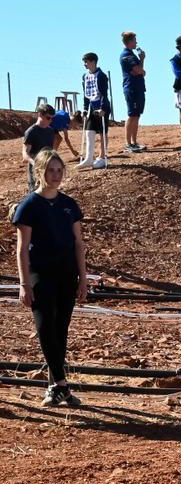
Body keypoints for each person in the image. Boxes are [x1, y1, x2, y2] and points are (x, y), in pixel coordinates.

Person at [11, 149, 89, 407]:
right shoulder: (29, 206)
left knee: (61, 329)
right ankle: (62, 384)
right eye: (50, 170)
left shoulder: (69, 205)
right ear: (40, 171)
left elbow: (79, 242)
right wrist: (24, 283)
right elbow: (22, 248)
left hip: (67, 272)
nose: (55, 175)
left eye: (59, 170)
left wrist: (83, 277)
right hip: (40, 274)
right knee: (45, 326)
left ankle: (55, 387)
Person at [76, 53, 111, 170]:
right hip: (92, 107)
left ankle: (102, 157)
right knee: (89, 131)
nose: (85, 64)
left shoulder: (101, 76)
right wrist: (85, 109)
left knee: (102, 132)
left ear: (93, 62)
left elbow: (104, 94)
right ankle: (89, 157)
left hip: (102, 108)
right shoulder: (85, 76)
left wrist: (103, 108)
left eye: (86, 62)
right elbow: (86, 94)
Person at [118, 31, 146, 153]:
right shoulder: (126, 55)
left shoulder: (132, 54)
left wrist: (141, 64)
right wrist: (142, 62)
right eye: (135, 40)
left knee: (137, 115)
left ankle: (134, 142)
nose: (136, 42)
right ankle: (128, 143)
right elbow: (139, 70)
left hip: (138, 87)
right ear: (129, 41)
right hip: (131, 88)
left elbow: (140, 70)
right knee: (132, 114)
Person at [21, 105, 58, 190]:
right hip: (36, 171)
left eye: (52, 118)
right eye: (48, 118)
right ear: (40, 114)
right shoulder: (31, 132)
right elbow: (25, 154)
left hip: (49, 169)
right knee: (35, 194)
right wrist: (35, 164)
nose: (50, 121)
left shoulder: (51, 131)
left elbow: (51, 150)